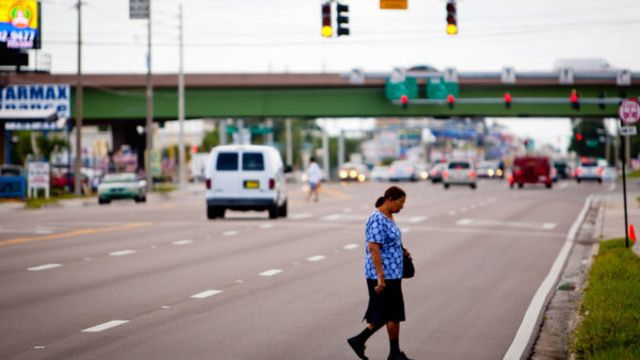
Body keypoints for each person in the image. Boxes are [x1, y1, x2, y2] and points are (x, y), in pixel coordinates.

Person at [348, 186, 413, 360]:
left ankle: (394, 353)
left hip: (393, 274)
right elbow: (373, 248)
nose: (402, 207)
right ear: (390, 199)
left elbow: (389, 243)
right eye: (401, 202)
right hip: (382, 276)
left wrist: (402, 251)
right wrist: (381, 278)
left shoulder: (389, 217)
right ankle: (359, 340)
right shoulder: (377, 218)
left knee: (393, 313)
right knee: (386, 313)